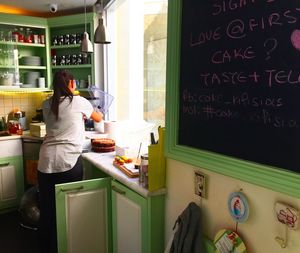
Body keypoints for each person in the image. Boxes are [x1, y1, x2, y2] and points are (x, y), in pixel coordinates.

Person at [37, 69, 103, 253]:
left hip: (46, 162)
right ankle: (67, 247)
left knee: (47, 211)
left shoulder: (46, 104)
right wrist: (85, 113)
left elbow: (60, 119)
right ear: (71, 84)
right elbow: (99, 117)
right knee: (68, 211)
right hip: (68, 162)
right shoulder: (79, 101)